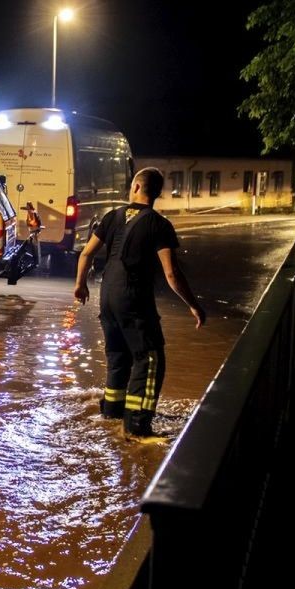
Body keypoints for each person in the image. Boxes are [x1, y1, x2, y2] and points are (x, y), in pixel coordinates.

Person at [73, 167, 206, 439]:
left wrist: (80, 285)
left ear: (135, 187)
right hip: (133, 299)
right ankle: (136, 428)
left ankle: (111, 413)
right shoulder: (159, 224)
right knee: (150, 359)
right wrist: (194, 305)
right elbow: (171, 273)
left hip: (107, 298)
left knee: (118, 357)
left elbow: (85, 255)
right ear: (157, 193)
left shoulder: (112, 216)